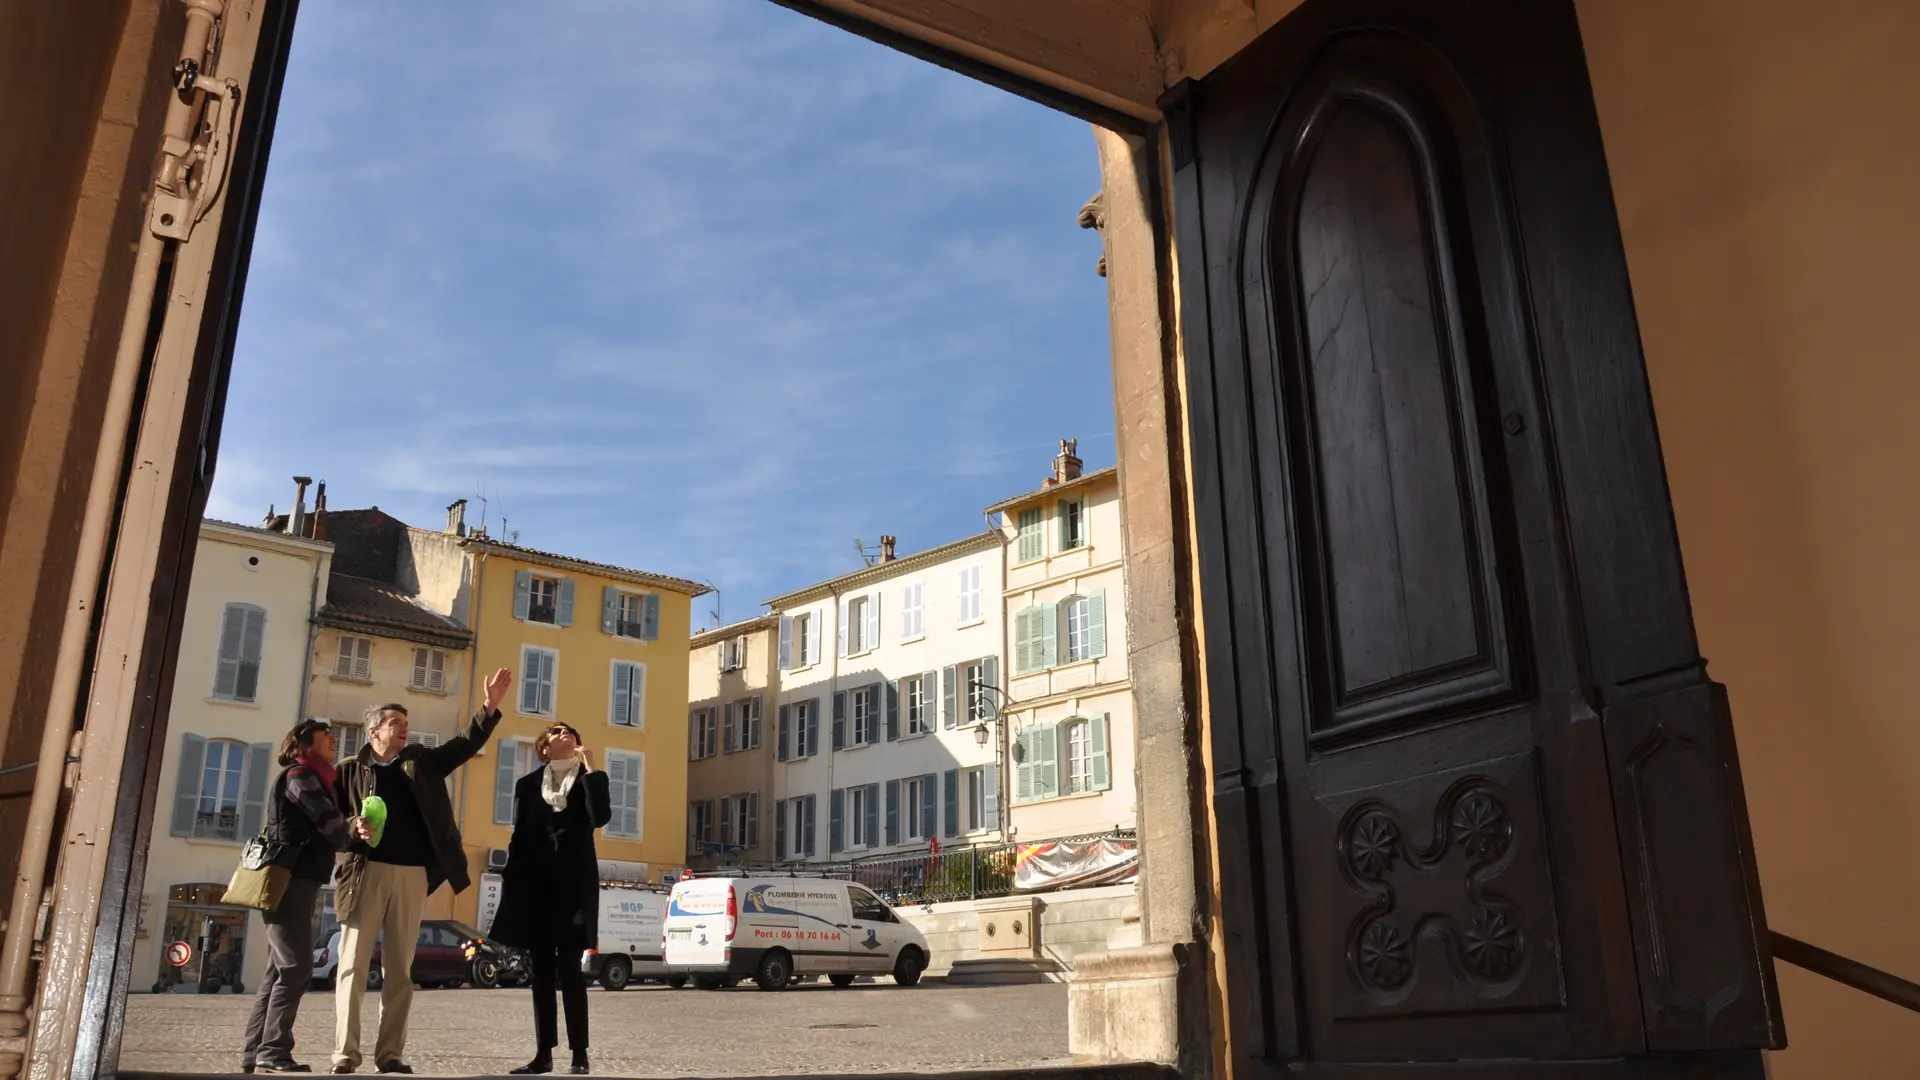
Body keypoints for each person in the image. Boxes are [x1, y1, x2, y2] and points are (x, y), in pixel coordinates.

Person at [330, 668, 512, 1075]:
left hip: (413, 875)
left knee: (400, 970)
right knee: (352, 966)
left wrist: (490, 706)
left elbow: (463, 745)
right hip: (365, 872)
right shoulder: (349, 770)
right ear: (374, 730)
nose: (404, 730)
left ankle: (390, 1054)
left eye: (406, 725)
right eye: (396, 723)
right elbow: (329, 823)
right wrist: (351, 827)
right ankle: (345, 1053)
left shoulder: (422, 763)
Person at [488, 723, 611, 1076]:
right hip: (536, 886)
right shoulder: (527, 786)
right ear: (544, 747)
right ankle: (543, 1054)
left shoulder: (589, 779)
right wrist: (512, 876)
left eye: (571, 731)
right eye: (556, 731)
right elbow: (519, 835)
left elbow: (600, 816)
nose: (565, 733)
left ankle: (579, 1054)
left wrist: (592, 769)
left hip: (573, 886)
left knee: (570, 970)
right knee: (541, 973)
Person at [240, 718, 358, 1074]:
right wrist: (354, 826)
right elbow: (331, 827)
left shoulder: (316, 777)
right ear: (306, 744)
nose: (334, 740)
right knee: (296, 967)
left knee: (278, 969)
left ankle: (255, 1052)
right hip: (289, 879)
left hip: (297, 878)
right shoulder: (300, 777)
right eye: (327, 736)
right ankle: (273, 1051)